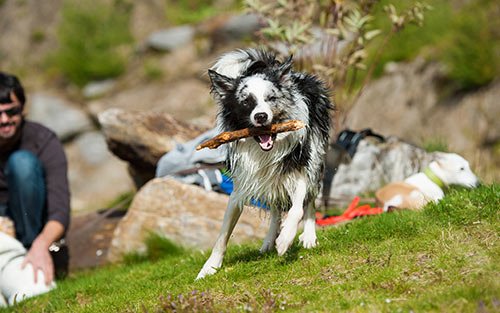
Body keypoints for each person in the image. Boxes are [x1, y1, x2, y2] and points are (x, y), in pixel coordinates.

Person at [0, 72, 70, 305]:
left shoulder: (44, 140)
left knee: (22, 163)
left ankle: (31, 257)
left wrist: (41, 246)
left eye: (11, 111)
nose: (4, 120)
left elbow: (60, 211)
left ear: (24, 109)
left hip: (31, 234)